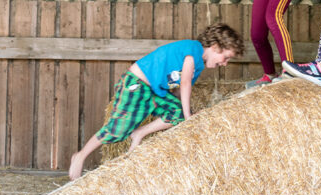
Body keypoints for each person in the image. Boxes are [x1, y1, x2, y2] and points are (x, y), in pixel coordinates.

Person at [68, 23, 244, 180]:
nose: (226, 63)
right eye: (226, 57)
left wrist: (185, 113)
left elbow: (176, 84)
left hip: (153, 91)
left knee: (177, 113)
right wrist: (190, 116)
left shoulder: (198, 65)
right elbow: (184, 84)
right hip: (137, 84)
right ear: (215, 47)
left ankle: (139, 133)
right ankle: (81, 155)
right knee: (118, 129)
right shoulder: (195, 51)